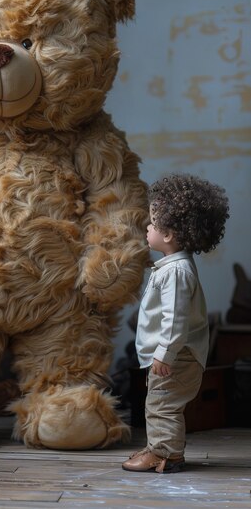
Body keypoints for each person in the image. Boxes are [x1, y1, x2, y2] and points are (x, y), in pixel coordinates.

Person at [122, 174, 229, 473]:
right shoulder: (174, 267)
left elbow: (175, 320)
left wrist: (164, 354)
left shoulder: (177, 272)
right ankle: (159, 447)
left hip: (177, 356)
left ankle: (166, 455)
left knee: (163, 405)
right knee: (158, 403)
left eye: (152, 224)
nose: (147, 227)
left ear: (168, 235)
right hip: (175, 355)